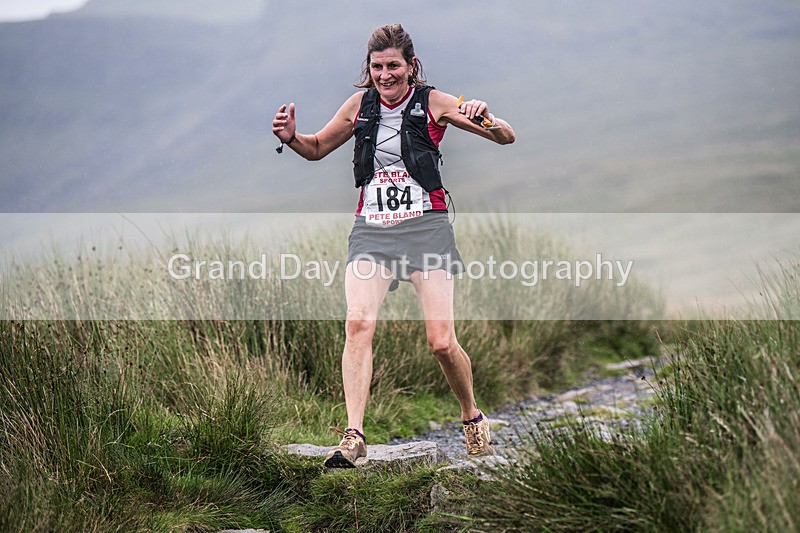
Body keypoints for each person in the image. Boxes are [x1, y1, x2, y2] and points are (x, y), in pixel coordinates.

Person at [272, 23, 515, 468]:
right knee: (357, 324)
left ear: (411, 66)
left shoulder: (435, 102)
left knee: (441, 342)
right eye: (377, 67)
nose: (385, 75)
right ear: (368, 68)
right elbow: (316, 147)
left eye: (394, 67)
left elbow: (505, 137)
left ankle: (471, 416)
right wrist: (291, 137)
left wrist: (487, 115)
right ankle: (354, 435)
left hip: (427, 230)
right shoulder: (358, 106)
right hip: (373, 232)